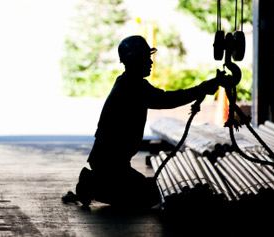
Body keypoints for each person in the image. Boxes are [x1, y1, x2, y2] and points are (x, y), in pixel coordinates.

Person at [62, 35, 220, 209]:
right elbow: (166, 100)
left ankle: (96, 181)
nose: (150, 62)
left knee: (149, 190)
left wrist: (200, 90)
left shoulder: (127, 82)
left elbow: (164, 99)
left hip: (110, 162)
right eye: (146, 58)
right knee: (148, 196)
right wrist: (200, 89)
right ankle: (92, 184)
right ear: (134, 60)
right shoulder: (133, 87)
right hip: (110, 165)